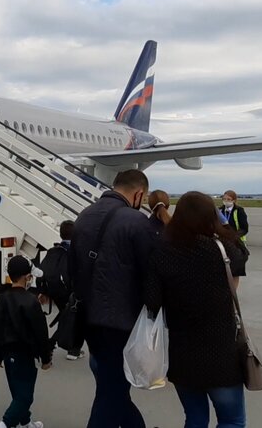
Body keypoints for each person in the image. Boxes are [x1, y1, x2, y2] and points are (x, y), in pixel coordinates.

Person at [143, 191, 250, 428]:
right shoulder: (221, 250)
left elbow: (152, 301)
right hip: (220, 351)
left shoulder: (162, 251)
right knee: (232, 420)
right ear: (211, 217)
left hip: (183, 352)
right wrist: (222, 222)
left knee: (195, 418)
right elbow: (242, 255)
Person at [69, 169, 161, 428]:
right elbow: (150, 274)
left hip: (88, 317)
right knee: (112, 392)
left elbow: (72, 266)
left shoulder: (84, 215)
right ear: (139, 193)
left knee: (112, 384)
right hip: (121, 321)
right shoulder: (136, 221)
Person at [0, 256, 53, 428]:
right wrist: (46, 358)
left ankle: (26, 422)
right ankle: (4, 424)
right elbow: (41, 333)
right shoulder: (31, 302)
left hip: (7, 354)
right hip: (24, 355)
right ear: (27, 278)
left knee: (17, 392)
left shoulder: (1, 299)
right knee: (25, 396)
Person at [38, 220, 84, 360]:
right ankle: (72, 349)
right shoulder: (76, 251)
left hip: (55, 291)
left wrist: (43, 291)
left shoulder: (54, 250)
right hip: (72, 292)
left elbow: (42, 270)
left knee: (67, 318)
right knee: (77, 319)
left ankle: (66, 347)